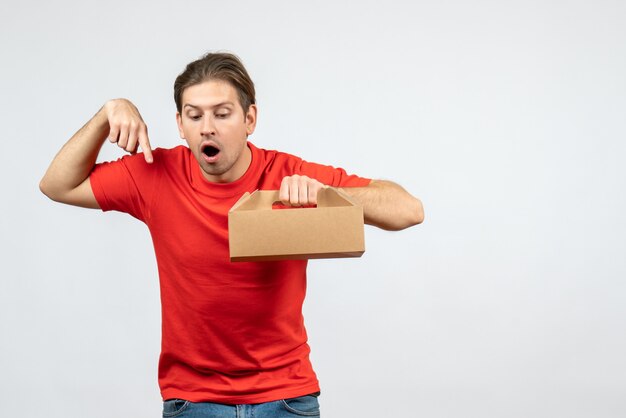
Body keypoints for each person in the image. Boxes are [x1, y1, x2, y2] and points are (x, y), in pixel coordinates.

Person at [40, 52, 424, 417]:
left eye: (222, 114)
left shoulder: (286, 173)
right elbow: (57, 185)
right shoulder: (155, 174)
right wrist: (108, 113)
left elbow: (408, 210)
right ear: (180, 125)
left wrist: (324, 195)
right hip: (192, 401)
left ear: (249, 119)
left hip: (286, 397)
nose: (207, 126)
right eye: (194, 115)